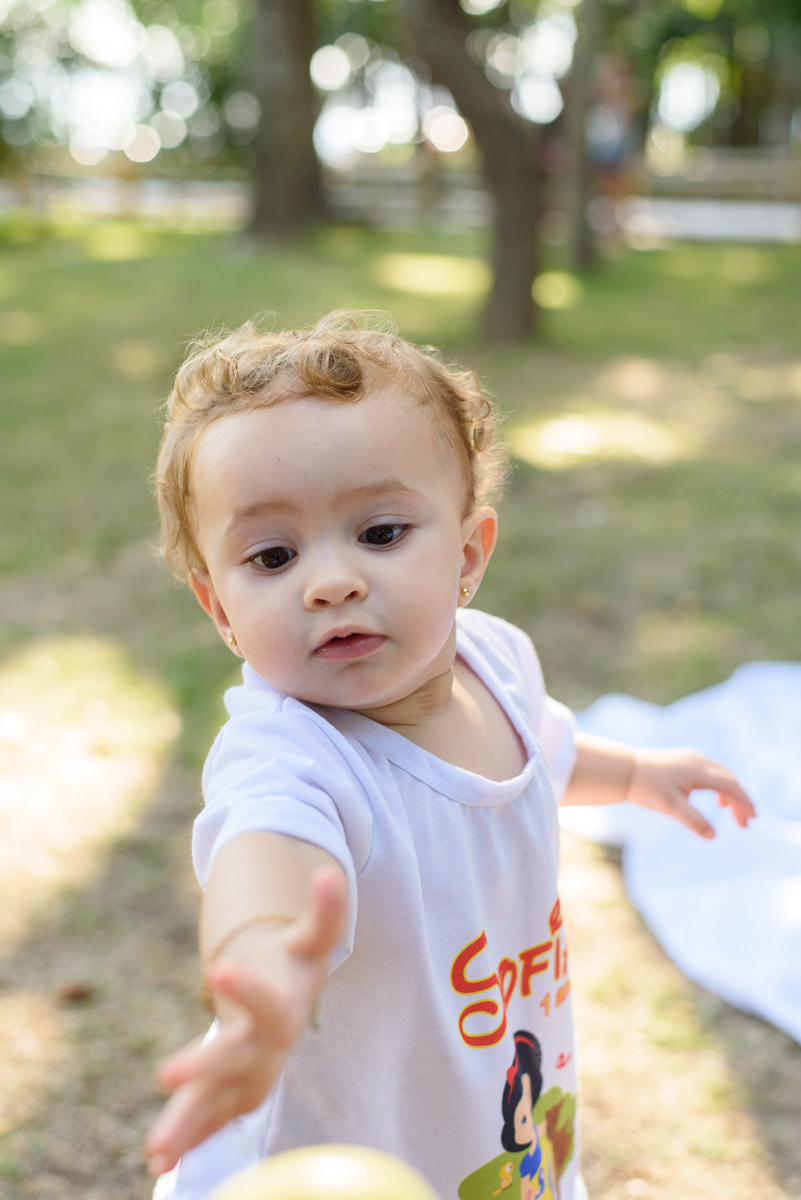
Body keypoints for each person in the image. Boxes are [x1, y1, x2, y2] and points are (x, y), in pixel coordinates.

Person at [145, 312, 754, 1200]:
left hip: (487, 1108)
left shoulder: (495, 660)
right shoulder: (291, 757)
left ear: (468, 553)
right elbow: (265, 861)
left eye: (380, 534)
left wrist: (634, 775)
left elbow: (544, 752)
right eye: (272, 556)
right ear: (220, 609)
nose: (331, 581)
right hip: (335, 1158)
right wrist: (261, 969)